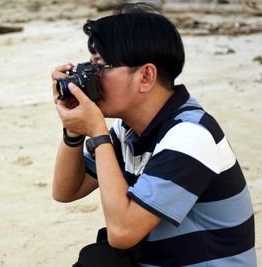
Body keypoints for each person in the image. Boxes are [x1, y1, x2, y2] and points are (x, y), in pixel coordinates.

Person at [51, 2, 256, 267]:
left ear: (146, 76)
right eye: (88, 67)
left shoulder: (190, 136)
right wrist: (73, 130)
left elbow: (122, 233)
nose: (89, 78)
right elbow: (66, 190)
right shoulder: (129, 131)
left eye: (100, 67)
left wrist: (98, 134)